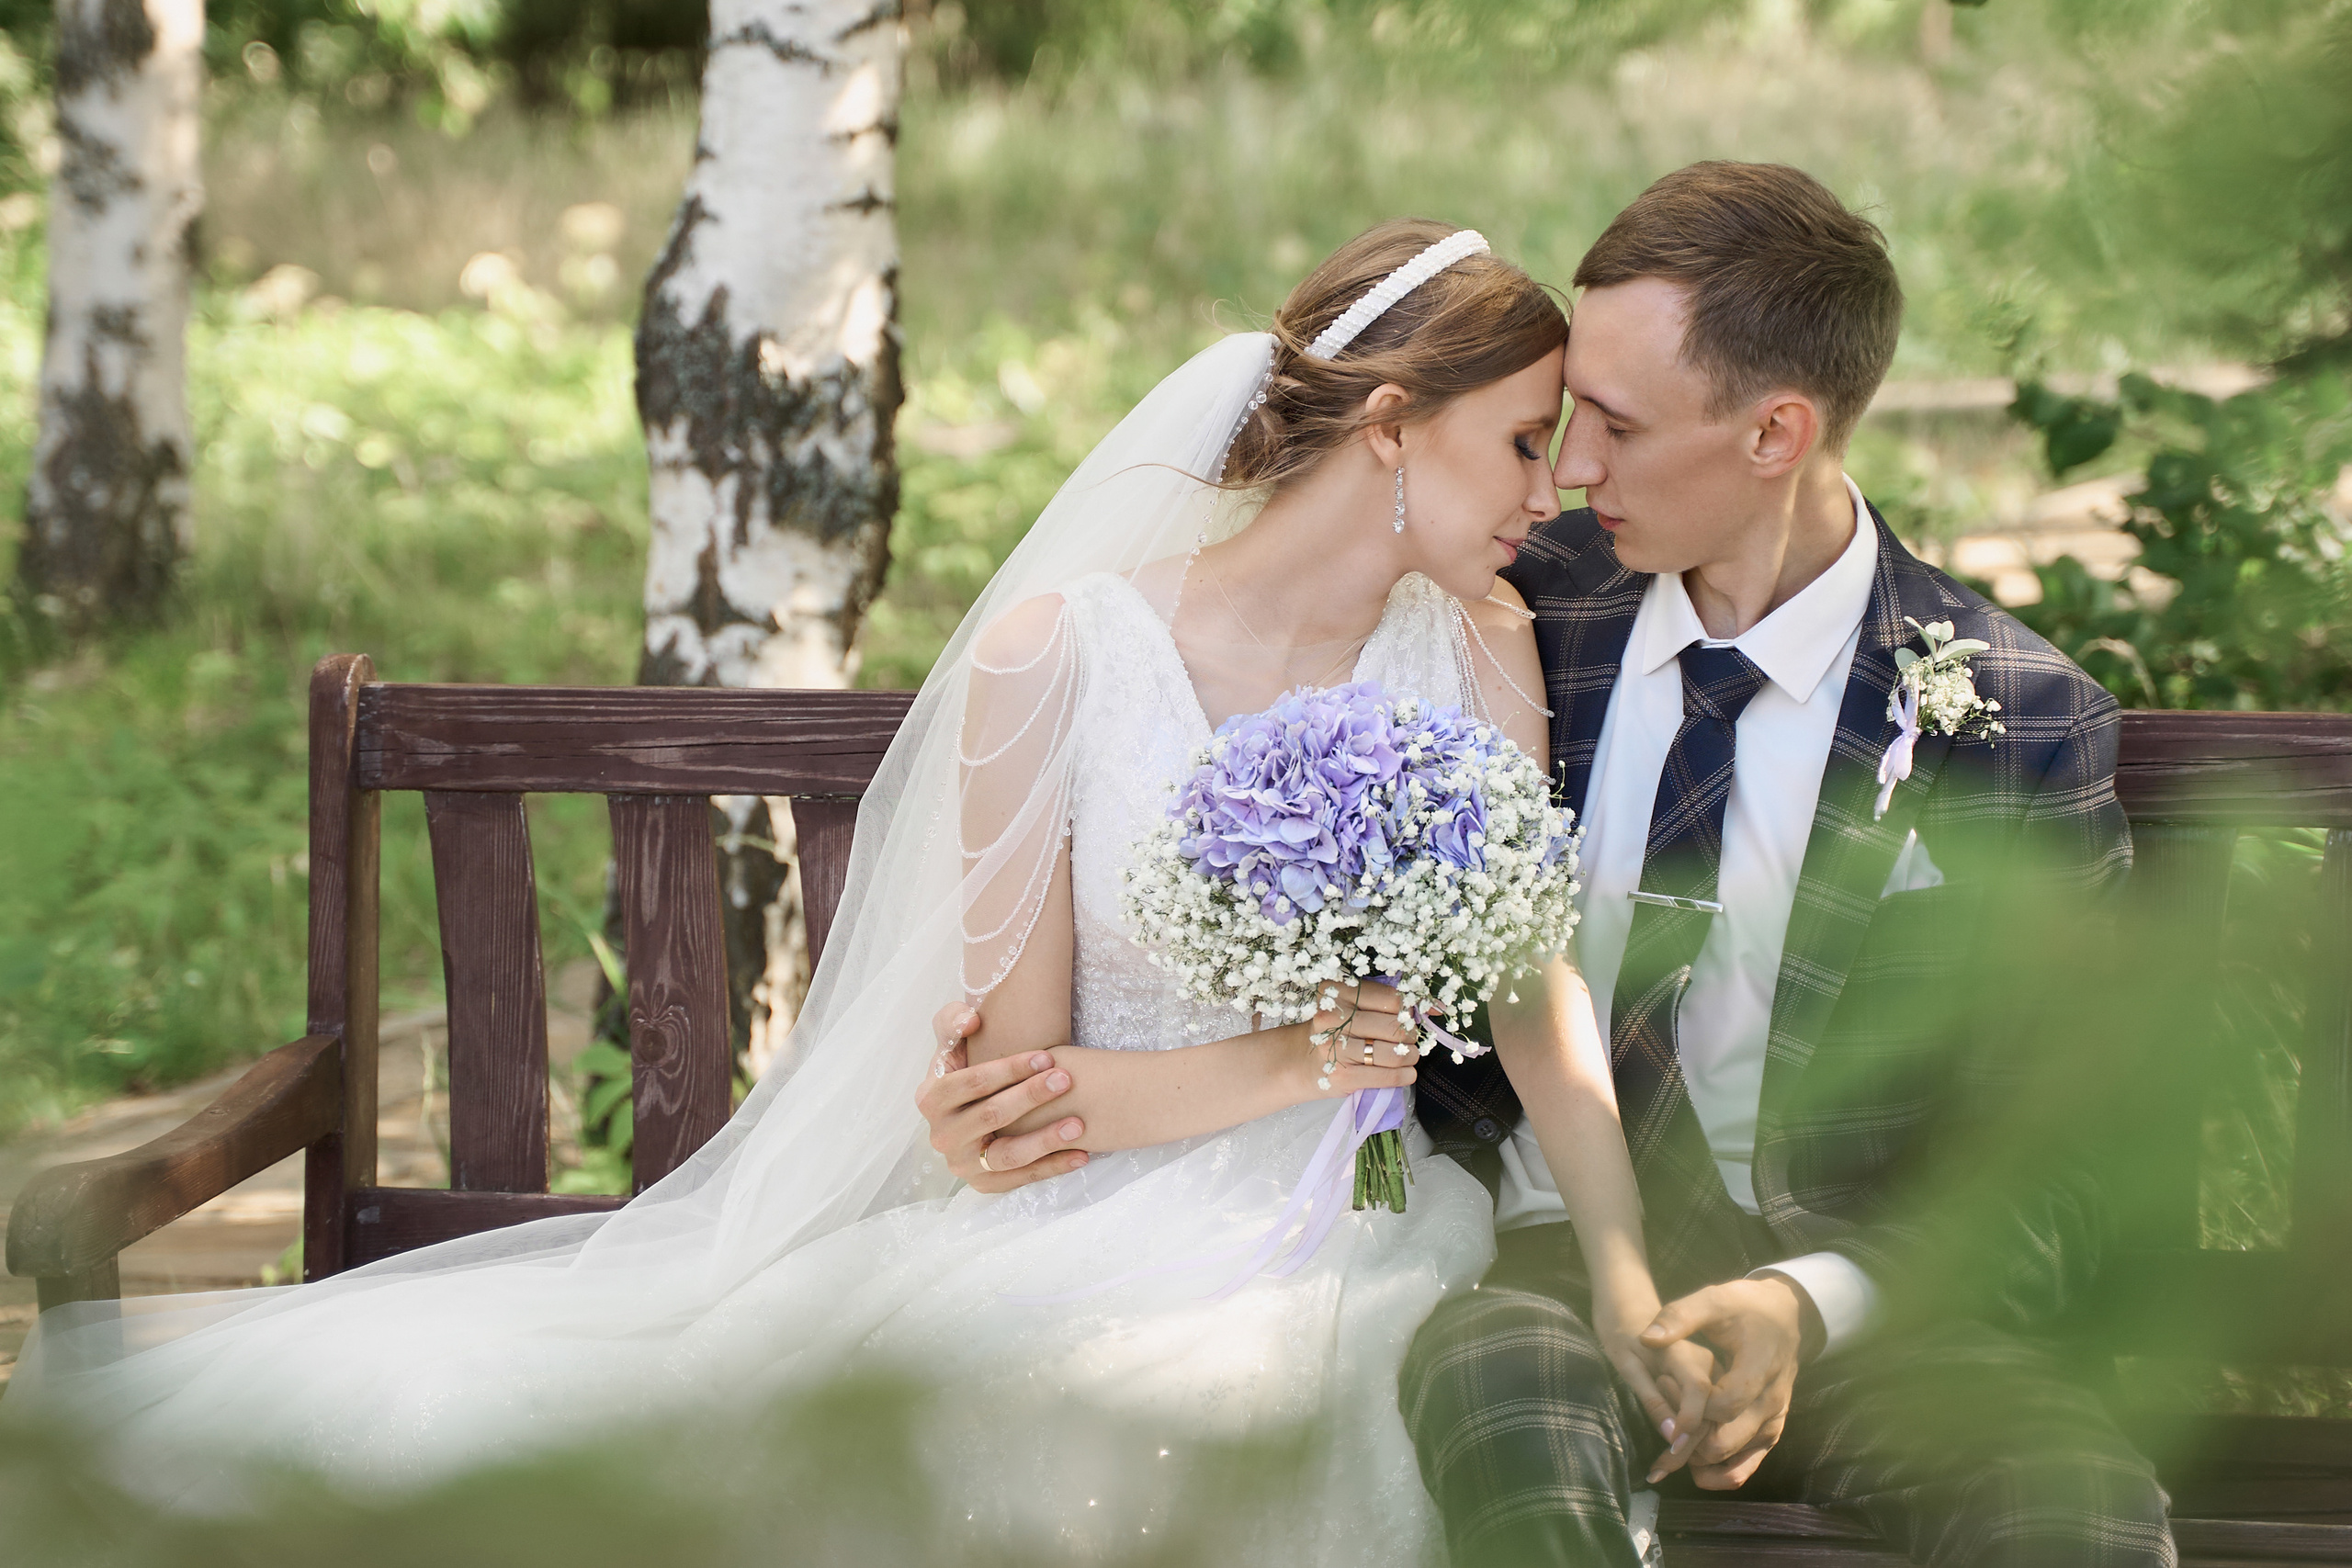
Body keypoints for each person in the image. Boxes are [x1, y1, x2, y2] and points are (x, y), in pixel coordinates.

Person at [9, 220, 1706, 1564]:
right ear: (1393, 429)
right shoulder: (1068, 655)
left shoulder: (1475, 644)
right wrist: (1298, 1061)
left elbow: (1532, 981)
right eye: (1522, 441)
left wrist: (1623, 1271)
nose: (1551, 490)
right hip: (1091, 1213)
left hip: (1365, 1230)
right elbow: (1018, 1096)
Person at [922, 163, 2177, 1568]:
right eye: (1557, 423)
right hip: (1525, 1271)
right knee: (1505, 1412)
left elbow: (2057, 1167)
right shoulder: (1515, 604)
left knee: (2073, 1509)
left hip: (1866, 1310)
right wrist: (1029, 1092)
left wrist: (1805, 1303)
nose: (1571, 470)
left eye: (1617, 427)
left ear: (1777, 432)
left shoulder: (2009, 719)